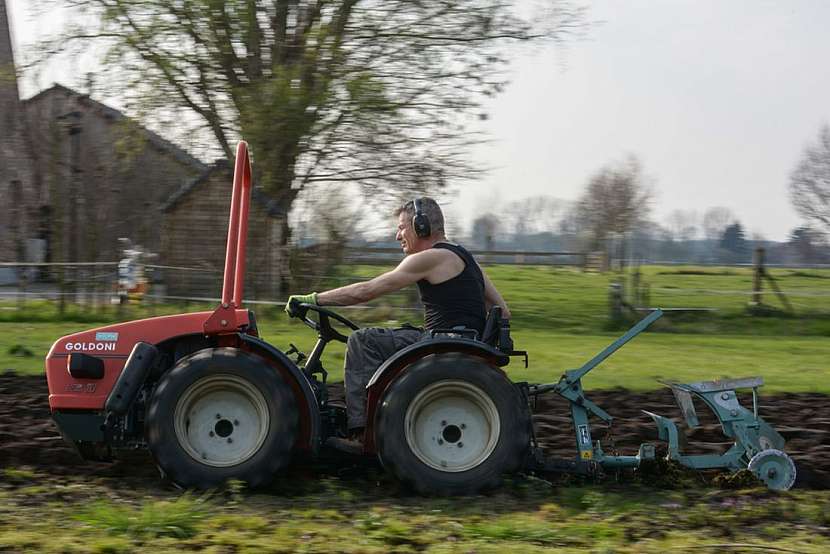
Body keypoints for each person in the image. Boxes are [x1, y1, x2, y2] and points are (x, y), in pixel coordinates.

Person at [285, 198, 510, 451]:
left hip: (441, 343)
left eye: (402, 227)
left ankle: (361, 434)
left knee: (363, 341)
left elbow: (366, 291)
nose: (397, 235)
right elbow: (503, 310)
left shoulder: (429, 258)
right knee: (395, 337)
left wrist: (315, 299)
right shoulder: (467, 258)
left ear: (420, 226)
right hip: (462, 342)